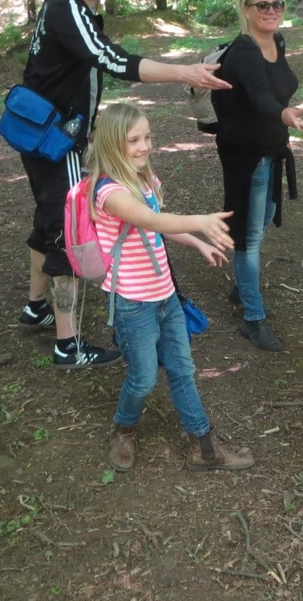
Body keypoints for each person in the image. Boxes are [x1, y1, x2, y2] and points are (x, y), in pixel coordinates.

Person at [17, 0, 230, 369]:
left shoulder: (76, 7)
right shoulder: (66, 7)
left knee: (47, 217)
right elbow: (111, 60)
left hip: (43, 134)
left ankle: (36, 305)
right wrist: (183, 72)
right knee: (70, 230)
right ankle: (67, 344)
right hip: (57, 140)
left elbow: (88, 64)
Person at [85, 102, 254, 473]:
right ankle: (123, 429)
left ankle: (205, 448)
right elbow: (147, 217)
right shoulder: (107, 192)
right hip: (133, 303)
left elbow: (158, 227)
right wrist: (201, 221)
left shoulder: (144, 179)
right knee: (143, 378)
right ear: (113, 143)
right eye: (134, 140)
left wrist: (198, 241)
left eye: (147, 137)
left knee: (182, 369)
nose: (145, 146)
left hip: (165, 296)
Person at [212, 0, 303, 352]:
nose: (271, 11)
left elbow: (279, 85)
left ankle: (241, 282)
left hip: (271, 149)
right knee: (248, 235)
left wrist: (285, 115)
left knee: (263, 217)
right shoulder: (243, 52)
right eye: (262, 5)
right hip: (245, 155)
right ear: (245, 10)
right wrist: (284, 114)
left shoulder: (277, 41)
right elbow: (263, 98)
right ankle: (253, 318)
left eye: (277, 4)